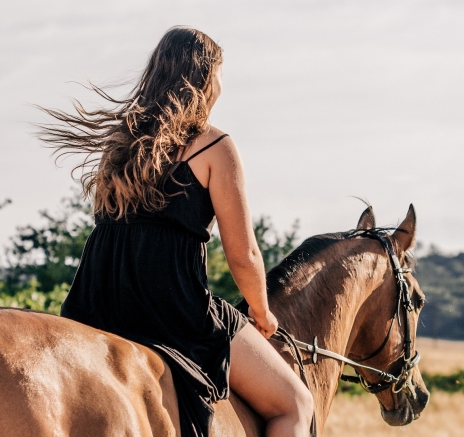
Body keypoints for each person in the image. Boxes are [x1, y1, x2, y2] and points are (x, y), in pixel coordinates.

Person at [39, 26, 314, 437]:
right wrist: (261, 312)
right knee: (295, 404)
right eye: (220, 73)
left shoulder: (120, 142)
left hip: (97, 302)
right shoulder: (212, 146)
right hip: (171, 308)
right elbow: (244, 255)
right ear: (206, 76)